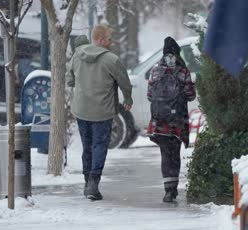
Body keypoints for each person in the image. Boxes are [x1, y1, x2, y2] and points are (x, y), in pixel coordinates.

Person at [66, 25, 133, 201]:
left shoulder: (77, 56)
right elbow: (124, 82)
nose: (111, 42)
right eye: (109, 39)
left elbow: (70, 80)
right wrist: (128, 99)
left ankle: (87, 181)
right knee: (99, 146)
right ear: (101, 40)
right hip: (102, 111)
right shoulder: (111, 60)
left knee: (87, 146)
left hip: (81, 110)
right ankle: (93, 183)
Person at [146, 36, 196, 203]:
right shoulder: (183, 71)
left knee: (165, 154)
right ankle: (172, 190)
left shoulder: (155, 70)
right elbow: (190, 95)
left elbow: (149, 95)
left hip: (159, 121)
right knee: (174, 154)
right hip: (176, 121)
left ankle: (168, 190)